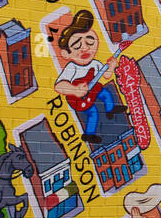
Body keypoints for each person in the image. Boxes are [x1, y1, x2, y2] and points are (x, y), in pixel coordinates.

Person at [53, 9, 125, 145]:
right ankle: (89, 134)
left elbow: (106, 76)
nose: (85, 48)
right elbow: (59, 86)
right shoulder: (72, 68)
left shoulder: (95, 63)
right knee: (93, 113)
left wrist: (112, 67)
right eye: (77, 45)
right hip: (79, 99)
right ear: (66, 53)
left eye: (90, 42)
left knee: (105, 93)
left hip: (93, 91)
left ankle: (111, 109)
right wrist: (75, 90)